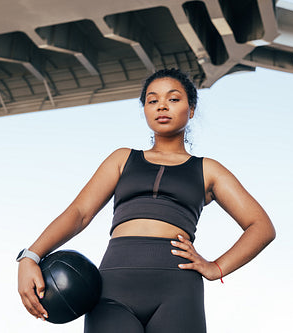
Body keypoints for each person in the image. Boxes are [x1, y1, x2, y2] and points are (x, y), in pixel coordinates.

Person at [17, 68, 276, 332]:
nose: (162, 105)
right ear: (144, 110)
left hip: (178, 289)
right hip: (113, 289)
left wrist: (216, 267)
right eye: (153, 100)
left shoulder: (209, 169)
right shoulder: (121, 159)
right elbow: (79, 213)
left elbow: (261, 227)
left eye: (174, 99)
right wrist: (30, 256)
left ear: (192, 108)